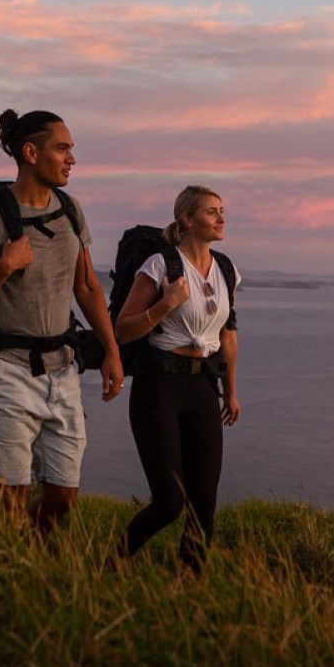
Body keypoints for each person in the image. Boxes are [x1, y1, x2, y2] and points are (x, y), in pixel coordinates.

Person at [0, 109, 123, 535]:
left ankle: (25, 555)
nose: (71, 159)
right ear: (30, 152)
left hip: (62, 371)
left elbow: (88, 288)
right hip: (4, 370)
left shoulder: (71, 210)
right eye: (62, 148)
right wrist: (3, 267)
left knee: (63, 497)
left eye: (71, 150)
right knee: (13, 499)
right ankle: (18, 576)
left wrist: (114, 352)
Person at [114, 185, 241, 572]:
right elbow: (122, 330)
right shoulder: (159, 265)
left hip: (203, 386)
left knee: (204, 502)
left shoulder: (226, 268)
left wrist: (230, 392)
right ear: (187, 219)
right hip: (159, 386)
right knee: (169, 501)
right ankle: (110, 563)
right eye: (211, 212)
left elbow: (228, 336)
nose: (221, 218)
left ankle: (190, 586)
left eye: (222, 211)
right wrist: (165, 304)